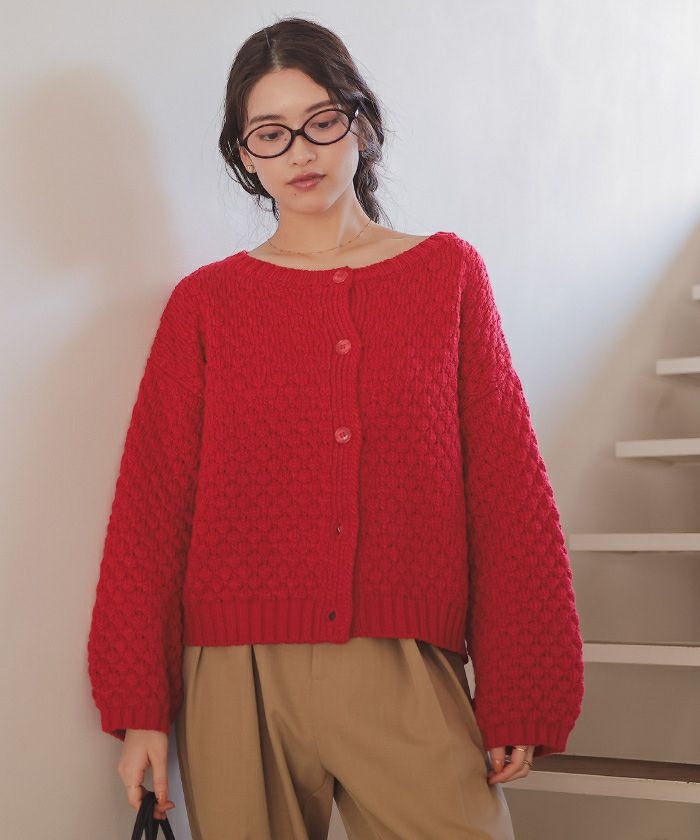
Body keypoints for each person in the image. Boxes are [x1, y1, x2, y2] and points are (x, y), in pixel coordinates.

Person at [86, 16, 585, 840]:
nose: (300, 152)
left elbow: (507, 491)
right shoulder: (206, 305)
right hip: (234, 676)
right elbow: (152, 508)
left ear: (362, 124)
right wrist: (140, 706)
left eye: (321, 121)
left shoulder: (447, 275)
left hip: (404, 663)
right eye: (270, 134)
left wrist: (522, 687)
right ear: (244, 155)